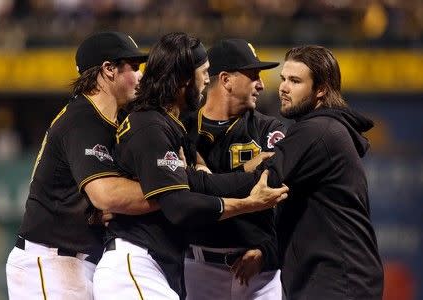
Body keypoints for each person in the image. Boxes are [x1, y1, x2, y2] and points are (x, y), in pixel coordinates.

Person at [93, 32, 289, 300]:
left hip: (155, 263)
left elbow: (196, 184)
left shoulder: (167, 125)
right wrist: (250, 200)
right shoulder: (152, 125)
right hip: (139, 261)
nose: (206, 79)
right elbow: (180, 204)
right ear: (185, 77)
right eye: (204, 71)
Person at [5, 32, 158, 299]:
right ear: (108, 70)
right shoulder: (83, 119)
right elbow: (106, 195)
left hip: (76, 262)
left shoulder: (110, 119)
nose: (140, 75)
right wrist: (170, 192)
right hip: (50, 261)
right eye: (133, 67)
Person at [259, 45, 384, 299]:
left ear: (321, 89)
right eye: (283, 79)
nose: (283, 87)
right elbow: (295, 214)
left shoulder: (318, 130)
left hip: (337, 283)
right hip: (335, 279)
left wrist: (199, 178)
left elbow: (261, 181)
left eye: (295, 81)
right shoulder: (322, 128)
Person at [183, 39, 286, 299]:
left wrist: (268, 250)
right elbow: (180, 193)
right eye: (253, 75)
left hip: (259, 273)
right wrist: (252, 173)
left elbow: (281, 186)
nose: (261, 84)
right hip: (198, 268)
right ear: (226, 79)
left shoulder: (270, 128)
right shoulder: (183, 128)